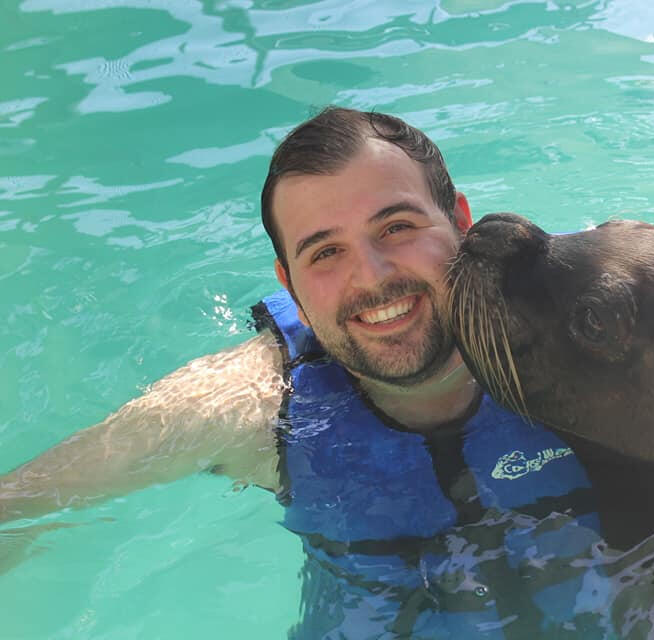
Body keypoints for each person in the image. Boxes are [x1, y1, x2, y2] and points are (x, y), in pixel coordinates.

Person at [0, 107, 617, 638]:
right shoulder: (253, 406)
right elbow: (16, 507)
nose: (372, 277)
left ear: (460, 220)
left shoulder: (594, 325)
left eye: (396, 227)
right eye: (325, 252)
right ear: (288, 285)